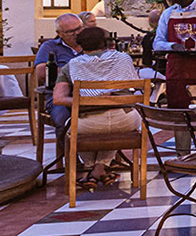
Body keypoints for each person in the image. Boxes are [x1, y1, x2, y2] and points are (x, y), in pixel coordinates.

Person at [52, 26, 141, 187]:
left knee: (74, 125)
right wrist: (107, 99)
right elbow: (135, 85)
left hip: (90, 123)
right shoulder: (123, 59)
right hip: (125, 120)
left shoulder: (72, 65)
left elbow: (58, 99)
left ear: (80, 45)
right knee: (111, 128)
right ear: (106, 43)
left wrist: (90, 100)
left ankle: (89, 168)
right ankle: (100, 168)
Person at [35, 13, 84, 89]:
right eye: (71, 31)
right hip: (60, 90)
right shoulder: (50, 46)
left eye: (79, 28)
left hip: (91, 91)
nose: (77, 33)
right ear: (59, 33)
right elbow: (42, 72)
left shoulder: (93, 44)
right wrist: (82, 71)